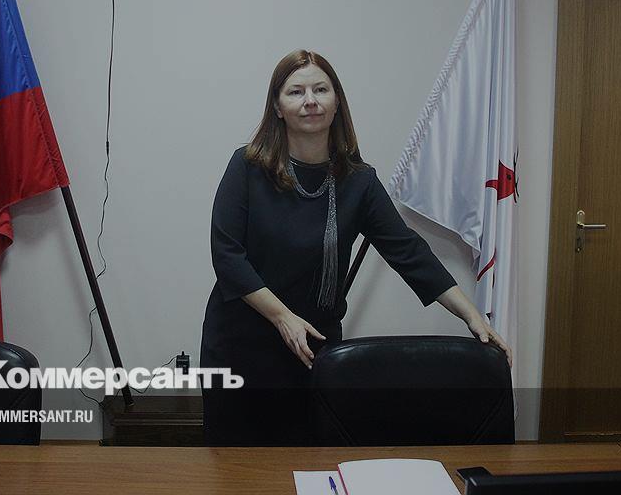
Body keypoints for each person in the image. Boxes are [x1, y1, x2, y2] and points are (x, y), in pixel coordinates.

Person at [199, 49, 512, 446]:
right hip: (240, 346)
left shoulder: (358, 182)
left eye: (320, 90)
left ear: (336, 103)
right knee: (235, 467)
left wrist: (472, 316)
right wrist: (283, 318)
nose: (310, 101)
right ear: (277, 107)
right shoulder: (247, 167)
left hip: (313, 349)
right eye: (296, 92)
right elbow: (227, 256)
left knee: (307, 461)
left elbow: (409, 252)